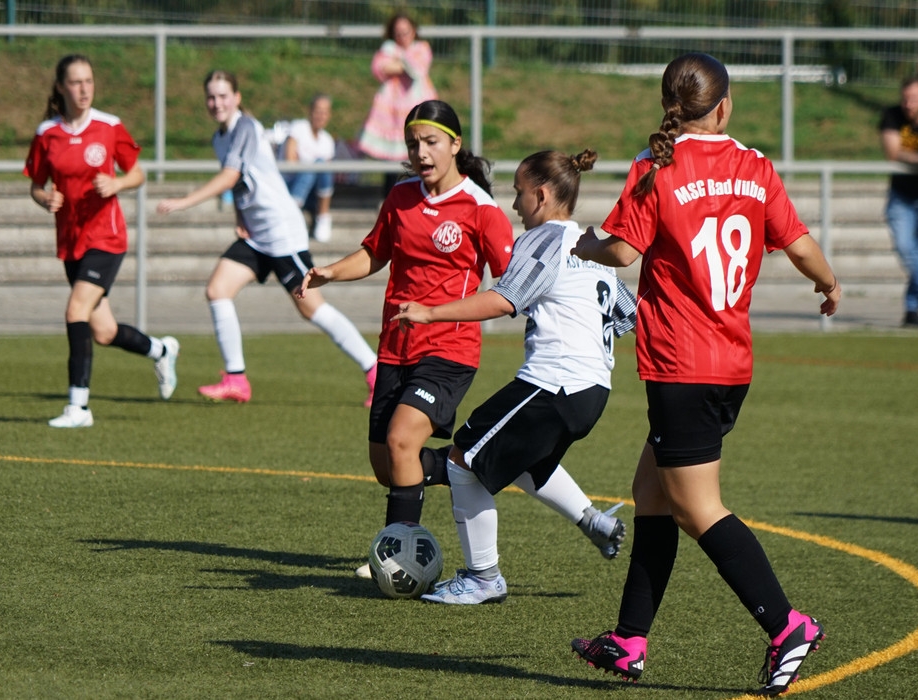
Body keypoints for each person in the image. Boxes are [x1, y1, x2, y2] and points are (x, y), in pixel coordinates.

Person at [567, 53, 840, 697]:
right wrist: (828, 284)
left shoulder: (656, 164)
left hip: (682, 364)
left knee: (696, 507)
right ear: (723, 108)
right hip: (729, 363)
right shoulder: (755, 165)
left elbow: (623, 250)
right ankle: (629, 640)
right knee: (652, 491)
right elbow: (798, 243)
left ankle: (788, 626)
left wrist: (583, 243)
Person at [391, 149, 637, 604]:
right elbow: (628, 313)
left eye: (518, 193)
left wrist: (430, 313)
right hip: (592, 390)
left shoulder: (542, 240)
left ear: (540, 196)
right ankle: (592, 520)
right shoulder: (592, 248)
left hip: (554, 382)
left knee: (463, 460)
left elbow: (504, 299)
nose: (514, 204)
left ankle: (482, 578)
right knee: (521, 458)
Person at [297, 100, 515, 578]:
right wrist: (331, 272)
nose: (421, 152)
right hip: (395, 349)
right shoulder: (400, 197)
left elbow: (512, 281)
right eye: (413, 143)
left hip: (450, 350)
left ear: (455, 145)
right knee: (388, 465)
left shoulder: (480, 208)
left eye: (431, 142)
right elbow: (374, 253)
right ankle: (463, 465)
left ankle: (397, 556)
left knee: (401, 441)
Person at [156, 70, 377, 405]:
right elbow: (242, 182)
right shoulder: (220, 137)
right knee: (218, 290)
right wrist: (240, 217)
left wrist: (183, 202)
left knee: (312, 309)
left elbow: (229, 176)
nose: (216, 103)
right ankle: (236, 379)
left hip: (283, 235)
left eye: (223, 96)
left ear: (237, 97)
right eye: (211, 97)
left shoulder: (245, 127)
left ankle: (375, 371)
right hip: (257, 236)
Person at [24, 54, 180, 428]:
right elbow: (36, 185)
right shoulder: (47, 133)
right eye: (76, 82)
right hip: (71, 242)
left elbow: (138, 174)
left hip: (107, 238)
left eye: (89, 81)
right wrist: (45, 199)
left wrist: (117, 182)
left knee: (75, 311)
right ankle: (161, 350)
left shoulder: (109, 126)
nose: (84, 89)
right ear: (61, 87)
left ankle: (78, 408)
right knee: (105, 332)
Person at [357, 13, 438, 195]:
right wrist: (401, 64)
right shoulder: (387, 49)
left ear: (413, 31)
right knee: (391, 162)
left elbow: (417, 69)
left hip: (417, 110)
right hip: (391, 114)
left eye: (405, 32)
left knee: (420, 154)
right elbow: (379, 68)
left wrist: (397, 63)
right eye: (398, 33)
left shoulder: (421, 48)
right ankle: (390, 199)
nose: (402, 37)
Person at [879, 76, 918, 326]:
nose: (908, 104)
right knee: (906, 248)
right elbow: (893, 152)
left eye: (914, 98)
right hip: (901, 196)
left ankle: (912, 309)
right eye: (905, 98)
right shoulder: (892, 116)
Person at [282, 93, 336, 243]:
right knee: (314, 166)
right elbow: (290, 163)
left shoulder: (327, 140)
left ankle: (322, 215)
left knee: (318, 166)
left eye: (325, 112)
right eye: (318, 111)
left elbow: (326, 177)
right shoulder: (298, 128)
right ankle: (314, 215)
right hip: (290, 185)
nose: (321, 116)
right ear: (310, 111)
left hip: (312, 192)